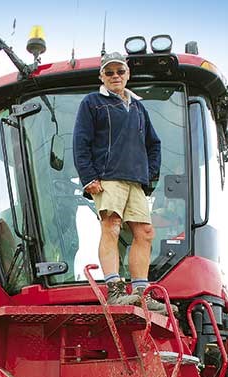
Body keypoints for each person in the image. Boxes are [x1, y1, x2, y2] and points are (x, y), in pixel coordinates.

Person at [73, 52, 172, 314]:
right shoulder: (92, 102)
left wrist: (149, 178)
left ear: (128, 74)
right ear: (101, 77)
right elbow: (80, 142)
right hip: (108, 177)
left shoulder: (139, 108)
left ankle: (140, 291)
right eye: (109, 72)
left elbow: (154, 144)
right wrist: (88, 177)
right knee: (112, 226)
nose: (115, 76)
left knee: (145, 233)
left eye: (120, 71)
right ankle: (115, 290)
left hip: (135, 182)